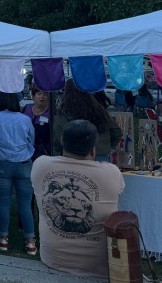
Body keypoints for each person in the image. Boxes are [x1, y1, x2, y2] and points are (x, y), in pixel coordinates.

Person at [32, 119, 125, 279]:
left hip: (53, 260)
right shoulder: (111, 173)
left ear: (62, 141)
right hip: (98, 267)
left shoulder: (41, 165)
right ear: (94, 149)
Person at [0, 91, 37, 255]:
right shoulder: (25, 119)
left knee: (4, 202)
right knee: (25, 204)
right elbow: (31, 139)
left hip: (2, 164)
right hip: (23, 164)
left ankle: (3, 238)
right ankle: (30, 241)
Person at [52, 80, 121, 162]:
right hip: (100, 155)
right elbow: (116, 132)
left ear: (67, 92)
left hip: (74, 157)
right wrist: (105, 146)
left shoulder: (64, 113)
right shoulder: (98, 110)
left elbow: (59, 136)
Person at [24, 85, 53, 160]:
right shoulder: (26, 108)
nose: (42, 97)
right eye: (39, 94)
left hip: (44, 153)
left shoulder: (51, 112)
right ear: (33, 96)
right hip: (25, 150)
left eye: (45, 94)